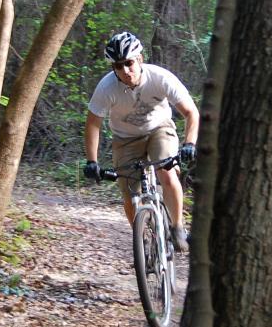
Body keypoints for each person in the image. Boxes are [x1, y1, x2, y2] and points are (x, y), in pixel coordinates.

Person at [83, 31, 198, 253]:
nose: (125, 71)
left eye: (129, 63)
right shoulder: (106, 88)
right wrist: (92, 161)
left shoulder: (160, 78)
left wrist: (189, 144)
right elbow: (92, 125)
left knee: (166, 171)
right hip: (125, 139)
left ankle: (177, 228)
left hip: (159, 130)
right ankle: (142, 237)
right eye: (118, 66)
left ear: (140, 59)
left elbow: (191, 113)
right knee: (129, 193)